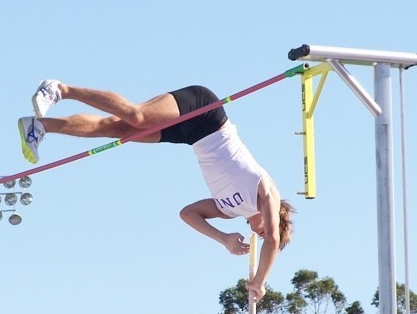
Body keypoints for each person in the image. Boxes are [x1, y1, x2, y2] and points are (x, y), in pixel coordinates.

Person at [18, 80, 295, 300]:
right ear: (278, 215)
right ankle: (60, 89)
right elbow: (272, 239)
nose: (258, 234)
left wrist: (222, 239)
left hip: (192, 136)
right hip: (207, 112)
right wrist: (260, 281)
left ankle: (41, 126)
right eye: (265, 230)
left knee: (117, 130)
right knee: (137, 116)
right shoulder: (266, 190)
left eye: (258, 234)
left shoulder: (230, 210)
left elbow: (188, 214)